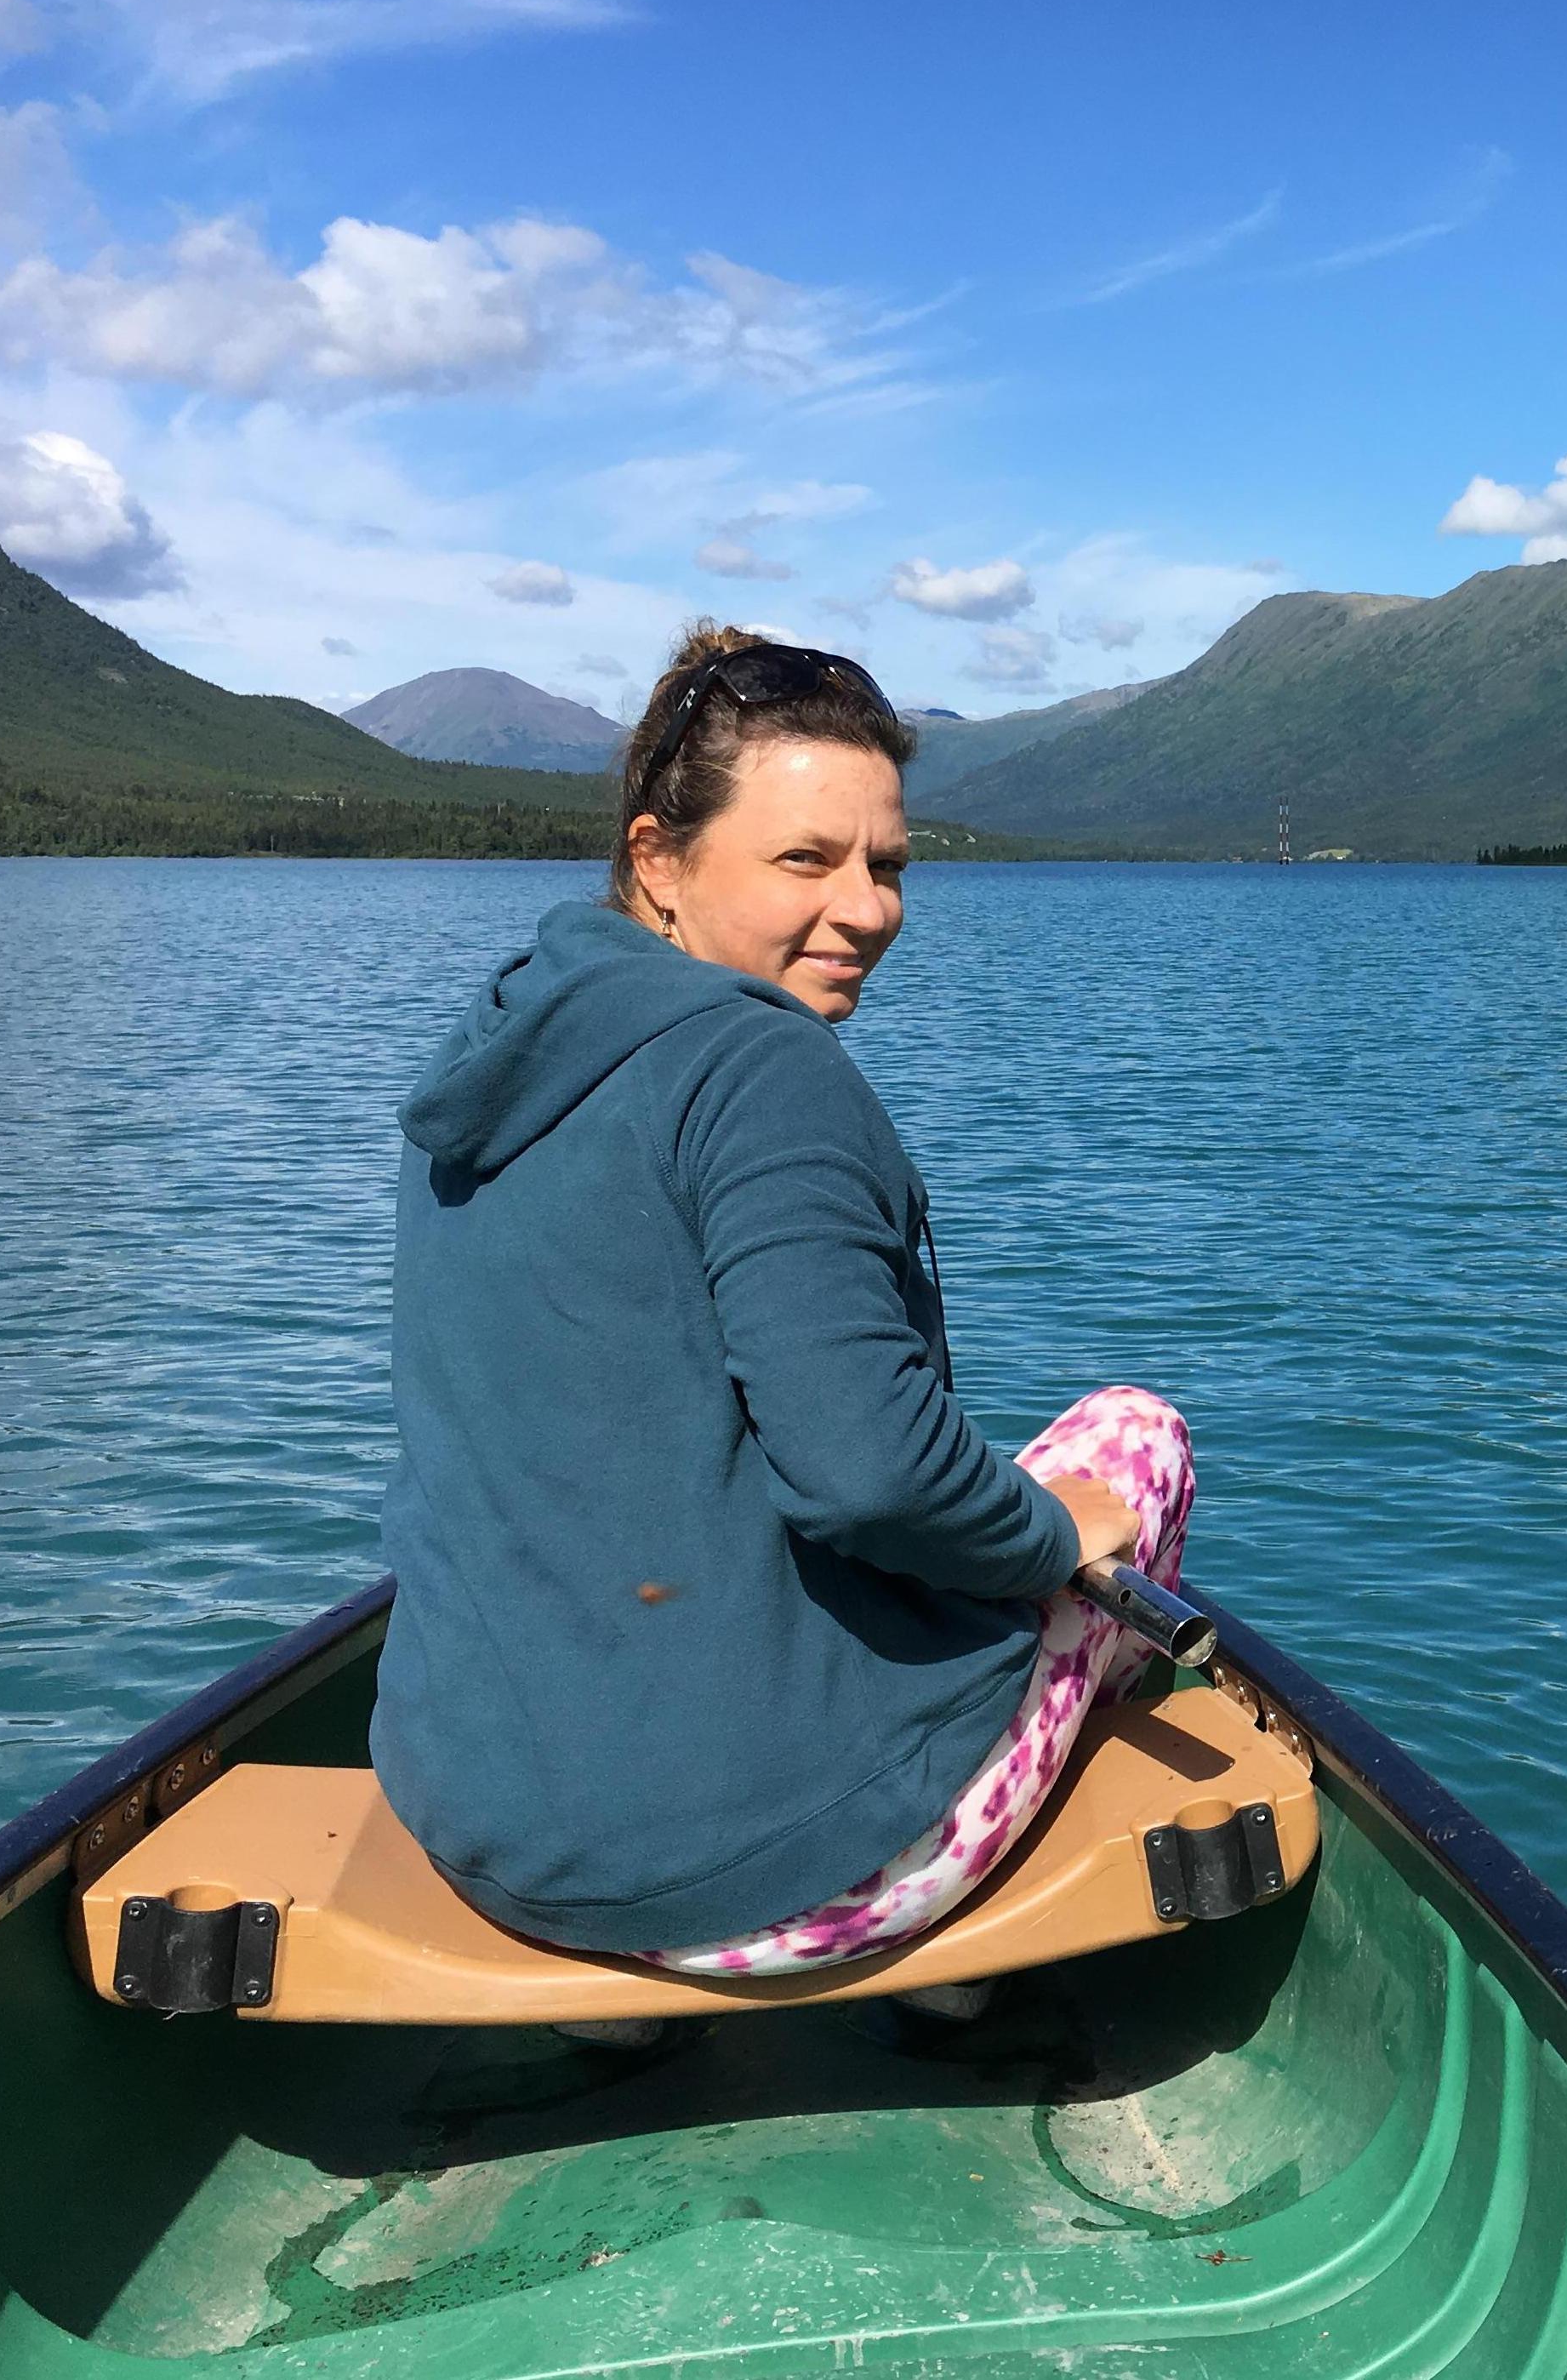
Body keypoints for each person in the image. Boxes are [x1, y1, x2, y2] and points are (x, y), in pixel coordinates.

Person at [372, 621, 1194, 1974]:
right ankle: (972, 1986)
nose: (866, 906)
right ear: (657, 860)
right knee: (1133, 1436)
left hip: (470, 1822)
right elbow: (871, 1475)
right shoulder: (763, 1072)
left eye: (887, 864)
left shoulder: (493, 1062)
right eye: (805, 859)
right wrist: (1052, 1535)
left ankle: (603, 2008)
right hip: (742, 1877)